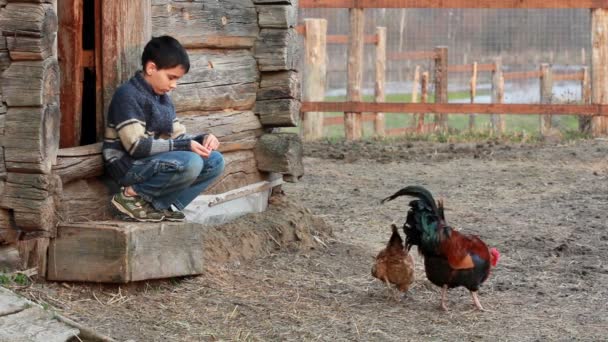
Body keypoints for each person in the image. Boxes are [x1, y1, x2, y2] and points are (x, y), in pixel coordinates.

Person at [102, 35, 224, 222]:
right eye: (171, 77)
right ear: (151, 68)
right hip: (127, 165)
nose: (174, 85)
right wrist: (185, 145)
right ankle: (131, 195)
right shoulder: (127, 95)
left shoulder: (163, 100)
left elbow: (180, 136)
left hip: (152, 163)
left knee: (214, 160)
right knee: (191, 162)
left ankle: (166, 205)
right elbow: (136, 146)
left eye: (177, 79)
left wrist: (202, 139)